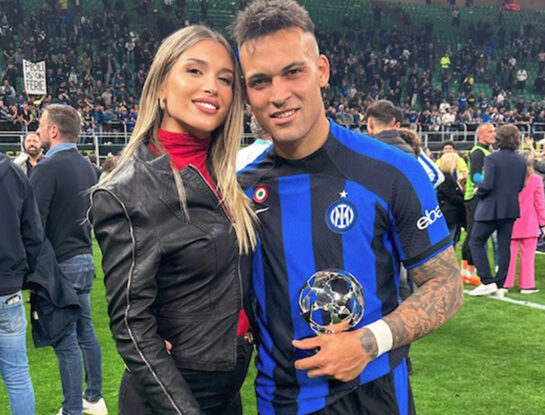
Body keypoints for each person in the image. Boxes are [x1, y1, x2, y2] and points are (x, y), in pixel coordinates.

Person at [232, 1, 463, 414]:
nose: (278, 95)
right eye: (260, 81)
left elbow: (446, 284)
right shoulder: (239, 189)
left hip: (376, 396)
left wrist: (369, 341)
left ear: (322, 70)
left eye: (293, 72)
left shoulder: (392, 171)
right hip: (282, 401)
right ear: (246, 91)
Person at [90, 25, 257, 415]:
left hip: (227, 390)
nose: (212, 86)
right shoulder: (127, 190)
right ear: (161, 87)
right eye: (195, 70)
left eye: (225, 79)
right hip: (171, 397)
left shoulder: (226, 178)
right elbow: (132, 326)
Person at [31, 104, 106, 415]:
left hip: (59, 264)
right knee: (84, 331)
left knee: (66, 340)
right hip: (84, 258)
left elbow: (33, 223)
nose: (37, 130)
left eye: (40, 124)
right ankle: (94, 398)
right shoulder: (88, 166)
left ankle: (73, 408)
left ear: (53, 130)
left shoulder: (46, 168)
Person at [0, 152, 43, 415]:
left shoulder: (14, 173)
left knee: (17, 373)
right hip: (9, 288)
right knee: (17, 373)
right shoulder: (16, 174)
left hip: (9, 286)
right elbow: (34, 234)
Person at [469, 124, 527, 297]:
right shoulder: (521, 160)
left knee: (476, 241)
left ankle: (487, 280)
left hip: (491, 207)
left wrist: (478, 190)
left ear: (499, 139)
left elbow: (487, 184)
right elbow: (520, 186)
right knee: (504, 247)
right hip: (510, 207)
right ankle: (500, 284)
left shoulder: (492, 158)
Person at [505, 151, 545, 294]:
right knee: (528, 256)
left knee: (508, 255)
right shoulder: (536, 180)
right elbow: (540, 204)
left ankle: (505, 282)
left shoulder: (507, 179)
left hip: (510, 221)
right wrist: (543, 223)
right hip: (529, 223)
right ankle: (527, 285)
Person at [461, 123, 495, 284]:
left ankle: (466, 271)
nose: (493, 134)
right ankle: (470, 271)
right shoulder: (478, 152)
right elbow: (476, 176)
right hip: (474, 197)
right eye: (489, 131)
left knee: (472, 233)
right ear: (480, 136)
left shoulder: (486, 151)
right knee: (474, 234)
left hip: (477, 196)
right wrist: (491, 182)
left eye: (494, 131)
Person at [436, 152, 466, 246]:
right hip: (450, 215)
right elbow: (452, 197)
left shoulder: (446, 178)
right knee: (450, 242)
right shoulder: (447, 179)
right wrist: (463, 198)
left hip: (451, 215)